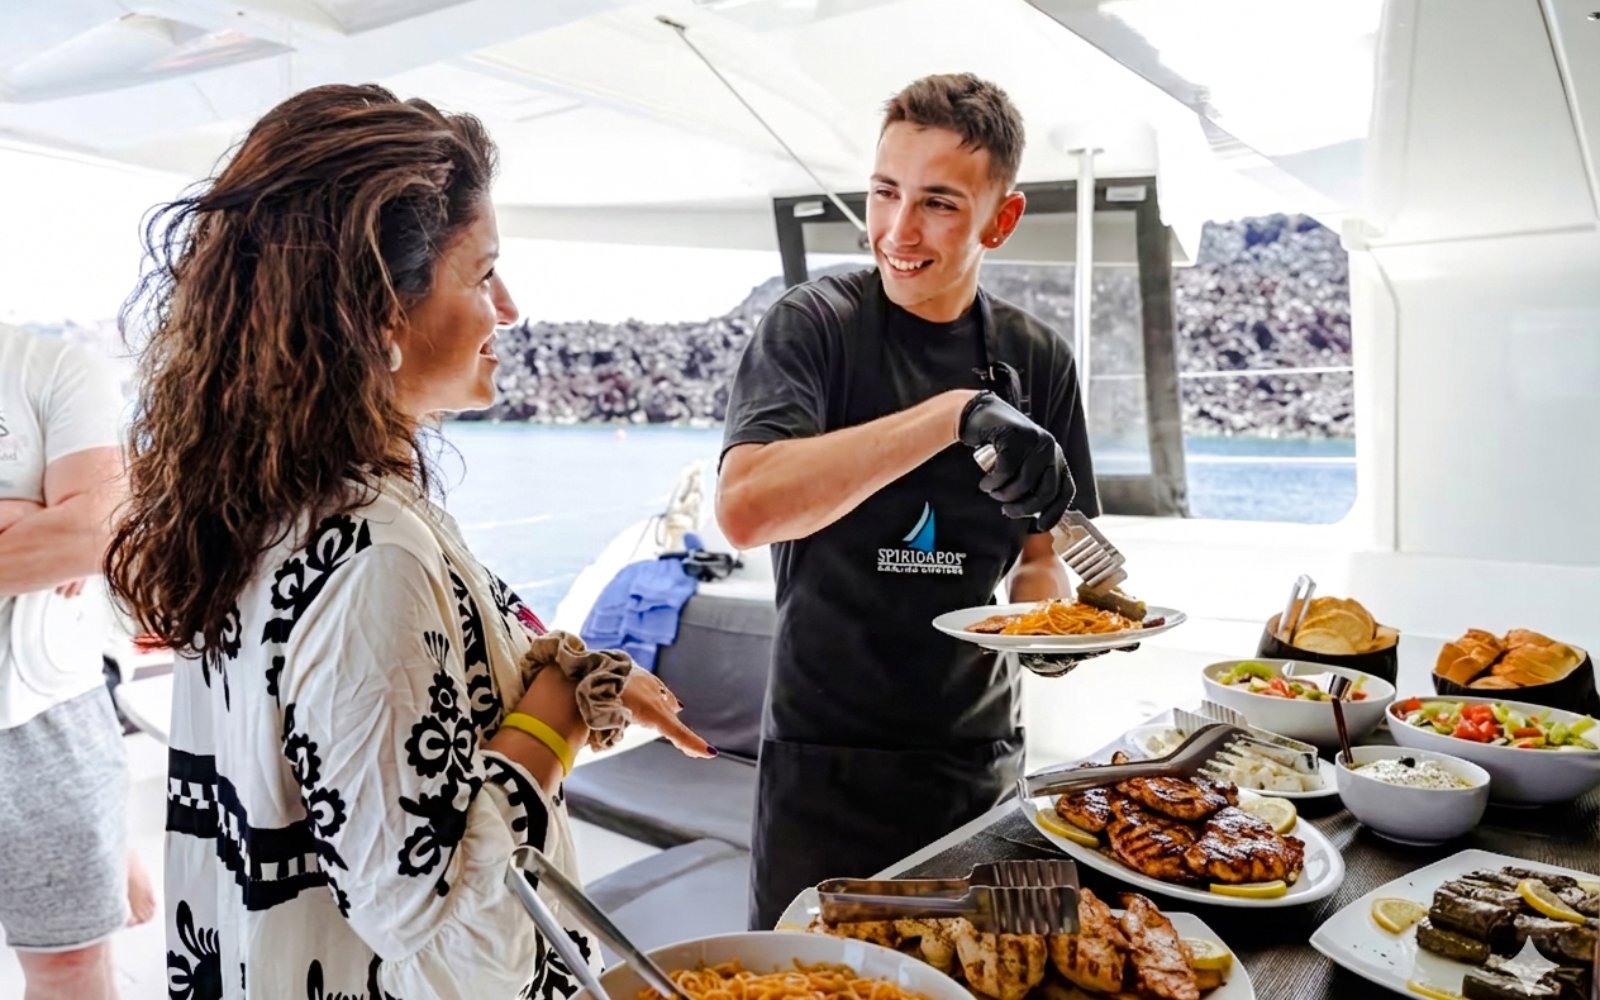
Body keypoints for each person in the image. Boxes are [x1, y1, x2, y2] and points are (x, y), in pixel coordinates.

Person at [104, 84, 711, 999]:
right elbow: (455, 941)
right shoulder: (372, 554)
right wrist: (558, 707)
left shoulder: (256, 507)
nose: (508, 307)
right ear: (384, 312)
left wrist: (575, 670)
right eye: (482, 274)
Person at [716, 73, 1100, 930]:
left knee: (979, 978)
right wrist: (952, 415)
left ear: (1001, 219)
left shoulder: (1038, 359)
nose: (897, 230)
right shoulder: (814, 325)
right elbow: (745, 508)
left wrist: (1046, 630)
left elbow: (1042, 557)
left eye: (938, 203)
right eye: (885, 192)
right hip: (823, 766)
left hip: (975, 760)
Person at [0, 321, 132, 999]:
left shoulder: (54, 368)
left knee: (71, 965)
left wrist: (68, 530)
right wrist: (27, 519)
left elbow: (93, 533)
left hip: (46, 715)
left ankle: (121, 863)